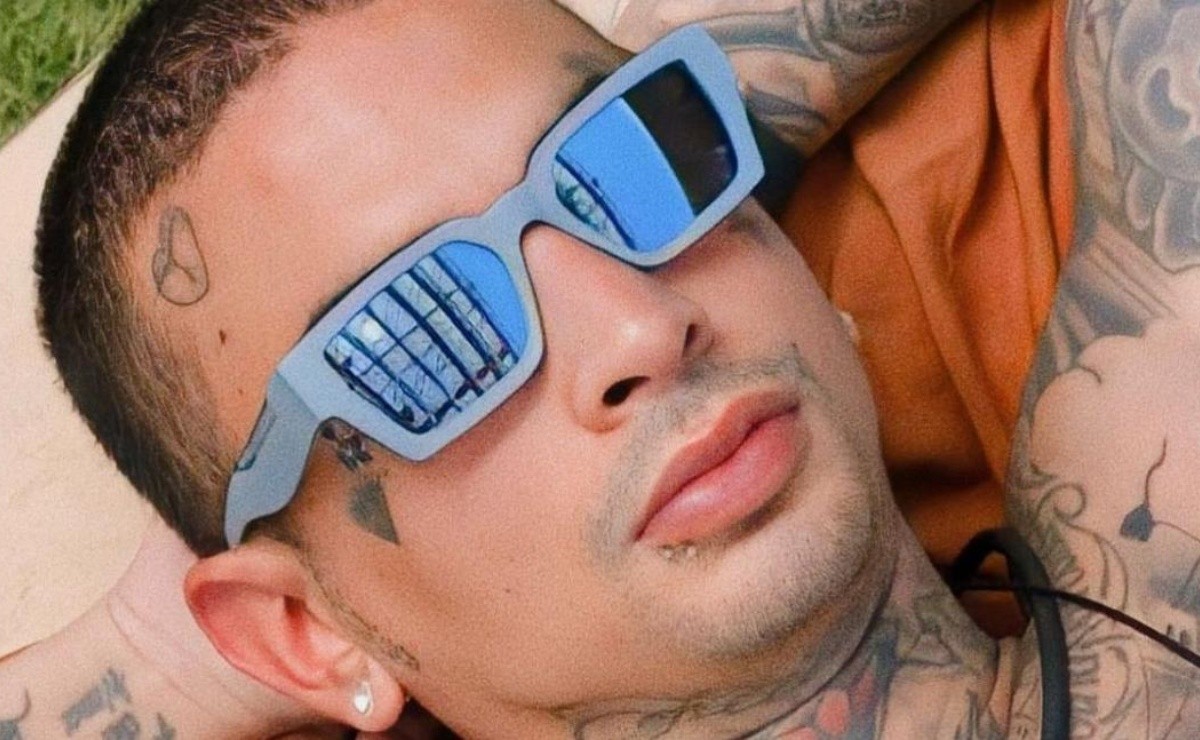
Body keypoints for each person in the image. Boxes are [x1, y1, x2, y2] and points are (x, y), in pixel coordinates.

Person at [7, 0, 1200, 738]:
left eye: (627, 170)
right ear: (297, 632)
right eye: (424, 330)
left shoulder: (1146, 504)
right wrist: (172, 656)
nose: (642, 324)